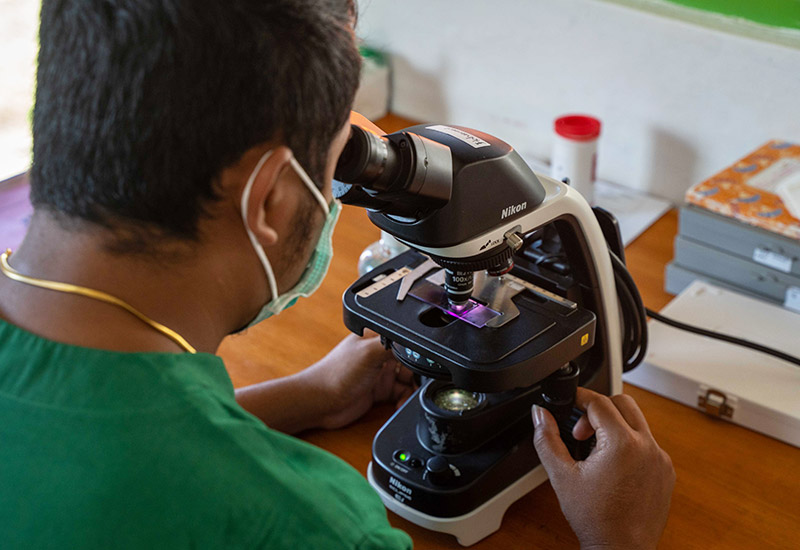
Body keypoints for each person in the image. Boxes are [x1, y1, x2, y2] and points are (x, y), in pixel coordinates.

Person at [0, 1, 674, 548]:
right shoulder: (308, 526)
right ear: (270, 199)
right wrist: (620, 539)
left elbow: (95, 443)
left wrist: (305, 395)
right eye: (336, 159)